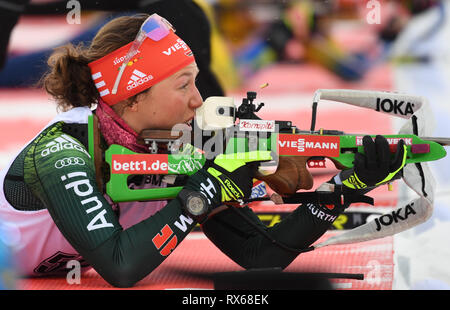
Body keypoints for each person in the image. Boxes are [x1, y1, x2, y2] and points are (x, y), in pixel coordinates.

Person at [0, 13, 407, 288]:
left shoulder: (178, 145)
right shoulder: (61, 154)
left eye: (195, 82)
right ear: (133, 98)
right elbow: (120, 266)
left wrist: (345, 186)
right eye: (183, 85)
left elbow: (260, 253)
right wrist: (205, 191)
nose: (198, 100)